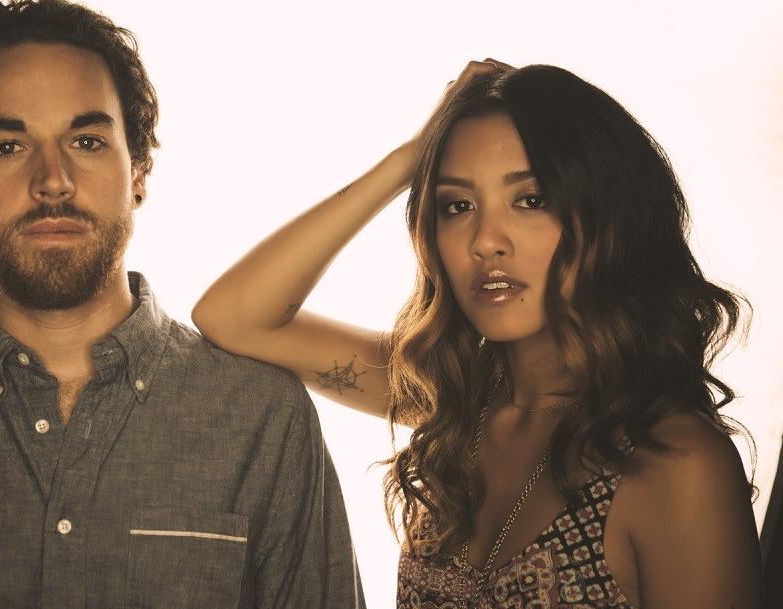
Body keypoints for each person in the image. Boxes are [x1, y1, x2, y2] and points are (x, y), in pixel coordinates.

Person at [0, 2, 365, 608]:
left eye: (87, 141)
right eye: (7, 146)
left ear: (138, 171)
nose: (53, 180)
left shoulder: (264, 419)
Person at [192, 60, 765, 607]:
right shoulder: (457, 405)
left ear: (610, 217)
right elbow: (233, 318)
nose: (486, 241)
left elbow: (236, 319)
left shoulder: (678, 464)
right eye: (458, 205)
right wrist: (411, 157)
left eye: (530, 200)